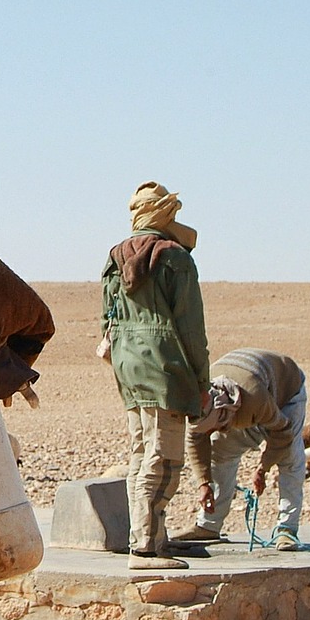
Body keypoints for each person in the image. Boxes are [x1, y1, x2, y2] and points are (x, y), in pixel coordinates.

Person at [99, 182, 210, 570]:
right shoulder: (175, 258)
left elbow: (105, 321)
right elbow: (191, 329)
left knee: (140, 452)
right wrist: (201, 381)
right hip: (165, 367)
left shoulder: (114, 257)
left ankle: (149, 538)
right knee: (164, 457)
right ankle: (146, 548)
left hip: (128, 365)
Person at [177, 348, 306, 551]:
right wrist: (204, 483)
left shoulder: (255, 399)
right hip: (242, 400)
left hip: (286, 391)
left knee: (289, 458)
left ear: (223, 416)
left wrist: (263, 468)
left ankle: (287, 529)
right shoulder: (200, 405)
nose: (212, 431)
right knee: (219, 451)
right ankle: (208, 526)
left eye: (214, 427)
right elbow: (196, 439)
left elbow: (283, 432)